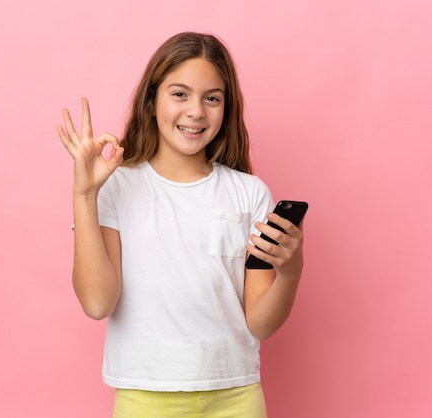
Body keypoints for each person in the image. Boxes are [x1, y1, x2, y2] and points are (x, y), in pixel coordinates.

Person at [56, 31, 304, 418]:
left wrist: (290, 273)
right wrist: (84, 196)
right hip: (145, 396)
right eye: (180, 94)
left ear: (227, 107)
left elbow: (260, 323)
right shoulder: (116, 185)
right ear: (152, 100)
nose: (196, 111)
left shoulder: (250, 193)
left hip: (236, 397)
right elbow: (97, 302)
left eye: (212, 98)